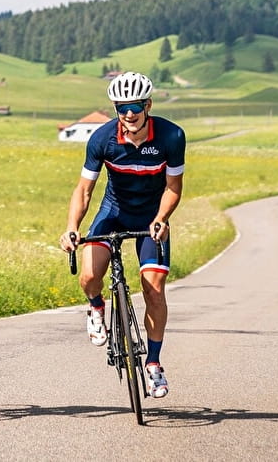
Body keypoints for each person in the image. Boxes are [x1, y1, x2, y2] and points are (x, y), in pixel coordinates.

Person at [58, 70, 184, 398]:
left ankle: (154, 364)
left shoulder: (171, 137)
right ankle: (96, 307)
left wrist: (162, 217)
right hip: (113, 213)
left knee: (154, 290)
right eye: (123, 107)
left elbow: (173, 187)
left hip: (151, 218)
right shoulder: (102, 139)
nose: (130, 114)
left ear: (149, 105)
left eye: (137, 106)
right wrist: (72, 227)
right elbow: (84, 190)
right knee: (88, 275)